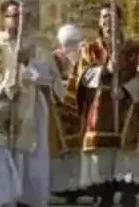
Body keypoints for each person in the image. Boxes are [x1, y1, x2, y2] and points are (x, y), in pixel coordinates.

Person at [0, 0, 52, 207]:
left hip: (29, 112)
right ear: (4, 19)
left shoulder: (37, 48)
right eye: (14, 15)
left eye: (23, 16)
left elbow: (48, 78)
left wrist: (27, 63)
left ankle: (26, 200)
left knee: (28, 160)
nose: (19, 20)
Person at [64, 4, 139, 207]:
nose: (107, 23)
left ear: (120, 21)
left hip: (126, 109)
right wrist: (106, 69)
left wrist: (128, 86)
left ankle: (127, 191)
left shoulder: (134, 48)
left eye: (112, 18)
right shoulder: (90, 48)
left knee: (125, 158)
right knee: (102, 163)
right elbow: (81, 77)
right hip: (99, 109)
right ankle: (103, 194)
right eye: (104, 18)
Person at [48, 23, 85, 202]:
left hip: (78, 103)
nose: (71, 46)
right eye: (69, 42)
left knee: (77, 149)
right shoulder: (55, 57)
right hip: (61, 104)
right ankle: (62, 185)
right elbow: (53, 79)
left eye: (74, 42)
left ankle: (78, 185)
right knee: (63, 148)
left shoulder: (83, 54)